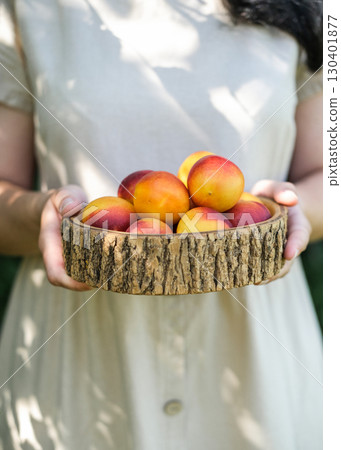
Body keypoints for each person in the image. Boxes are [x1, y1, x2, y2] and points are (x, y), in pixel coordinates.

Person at [0, 0, 322, 448]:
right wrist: (42, 213)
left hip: (257, 366)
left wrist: (295, 209)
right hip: (79, 360)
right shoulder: (28, 7)